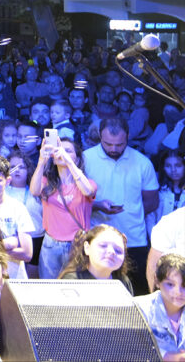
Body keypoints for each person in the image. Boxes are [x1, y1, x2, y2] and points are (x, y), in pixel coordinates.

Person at [82, 117, 159, 295]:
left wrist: (132, 212)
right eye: (108, 144)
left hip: (134, 239)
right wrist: (97, 206)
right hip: (97, 238)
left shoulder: (142, 162)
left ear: (128, 137)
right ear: (99, 136)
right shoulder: (85, 159)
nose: (114, 149)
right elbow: (75, 201)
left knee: (136, 292)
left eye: (119, 144)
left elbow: (152, 200)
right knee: (96, 294)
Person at [29, 136, 96, 278]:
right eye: (58, 149)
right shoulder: (47, 182)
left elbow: (89, 191)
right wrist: (41, 161)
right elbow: (34, 191)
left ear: (77, 158)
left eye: (68, 151)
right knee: (50, 290)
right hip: (51, 244)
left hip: (77, 243)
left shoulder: (86, 182)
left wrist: (69, 162)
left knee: (77, 286)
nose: (62, 153)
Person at [134, 253, 185, 361]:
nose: (178, 292)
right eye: (170, 284)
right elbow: (128, 349)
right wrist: (167, 356)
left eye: (184, 286)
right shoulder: (138, 308)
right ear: (157, 281)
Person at [58, 224, 133, 294]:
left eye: (118, 250)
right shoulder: (71, 281)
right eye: (103, 246)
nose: (111, 252)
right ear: (87, 248)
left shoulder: (123, 282)